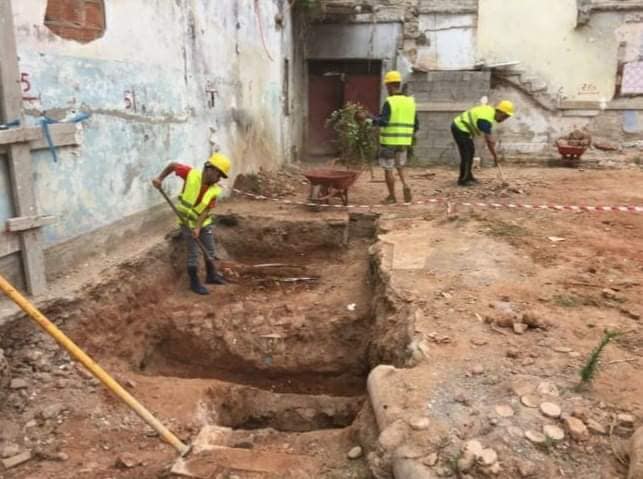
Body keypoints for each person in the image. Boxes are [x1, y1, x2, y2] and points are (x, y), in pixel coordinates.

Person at [152, 153, 231, 295]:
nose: (219, 179)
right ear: (210, 169)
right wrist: (159, 178)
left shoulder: (214, 190)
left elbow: (206, 210)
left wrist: (198, 227)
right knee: (193, 252)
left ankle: (211, 275)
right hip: (186, 223)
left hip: (203, 222)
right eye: (219, 175)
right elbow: (173, 165)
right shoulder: (190, 174)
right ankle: (194, 282)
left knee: (209, 249)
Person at [373, 70, 419, 204]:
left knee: (388, 169)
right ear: (399, 84)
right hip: (403, 142)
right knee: (400, 166)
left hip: (389, 142)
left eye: (386, 86)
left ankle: (392, 197)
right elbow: (416, 125)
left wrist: (371, 120)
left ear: (389, 85)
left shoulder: (390, 102)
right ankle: (405, 185)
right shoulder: (410, 102)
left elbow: (384, 122)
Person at [451, 100, 514, 186]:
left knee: (470, 152)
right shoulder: (486, 119)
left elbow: (489, 139)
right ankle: (463, 180)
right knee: (467, 154)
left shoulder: (489, 114)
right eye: (505, 116)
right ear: (500, 112)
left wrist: (494, 153)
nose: (504, 119)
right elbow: (489, 141)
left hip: (463, 129)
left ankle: (468, 176)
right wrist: (495, 157)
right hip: (460, 127)